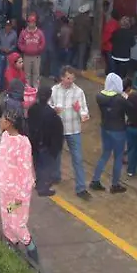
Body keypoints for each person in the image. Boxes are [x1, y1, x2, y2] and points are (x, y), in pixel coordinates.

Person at [0, 103, 38, 261]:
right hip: (5, 190)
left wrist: (21, 195)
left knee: (17, 223)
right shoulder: (5, 136)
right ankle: (11, 251)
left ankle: (32, 252)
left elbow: (25, 169)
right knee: (7, 221)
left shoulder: (23, 143)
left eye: (2, 118)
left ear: (9, 122)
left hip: (18, 194)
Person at [49, 66, 91, 199]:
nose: (70, 81)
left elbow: (85, 114)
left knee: (78, 159)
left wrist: (80, 110)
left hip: (73, 130)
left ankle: (81, 188)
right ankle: (55, 176)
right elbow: (47, 105)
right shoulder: (54, 90)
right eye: (68, 78)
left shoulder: (79, 92)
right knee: (55, 154)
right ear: (62, 77)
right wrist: (53, 110)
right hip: (58, 129)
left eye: (72, 78)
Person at [90, 73, 129, 193]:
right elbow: (129, 111)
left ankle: (95, 180)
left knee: (105, 154)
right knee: (118, 157)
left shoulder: (99, 96)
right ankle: (115, 184)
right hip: (118, 130)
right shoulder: (120, 100)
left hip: (105, 128)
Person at [27, 83, 64, 197]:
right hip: (46, 145)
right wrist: (56, 148)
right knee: (46, 166)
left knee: (37, 164)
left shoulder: (32, 108)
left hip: (35, 142)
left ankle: (39, 183)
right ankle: (43, 188)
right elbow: (57, 132)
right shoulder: (51, 114)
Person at [17, 13, 46, 87]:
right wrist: (24, 49)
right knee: (27, 73)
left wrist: (38, 49)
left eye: (33, 22)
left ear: (35, 23)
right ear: (28, 23)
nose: (31, 24)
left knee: (36, 73)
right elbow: (19, 43)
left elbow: (43, 43)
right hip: (26, 56)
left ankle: (36, 89)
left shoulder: (40, 32)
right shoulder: (23, 32)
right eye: (30, 22)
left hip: (36, 56)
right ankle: (28, 88)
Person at [0, 19, 17, 91]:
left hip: (9, 55)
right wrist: (1, 48)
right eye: (7, 26)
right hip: (0, 54)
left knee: (8, 71)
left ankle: (7, 88)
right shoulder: (0, 32)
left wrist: (9, 49)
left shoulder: (14, 34)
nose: (8, 27)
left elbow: (15, 44)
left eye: (9, 26)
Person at [72, 3, 93, 70]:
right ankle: (80, 70)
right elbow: (90, 30)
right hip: (83, 40)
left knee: (76, 54)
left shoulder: (76, 18)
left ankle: (74, 66)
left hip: (75, 39)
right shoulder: (87, 19)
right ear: (87, 11)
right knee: (81, 55)